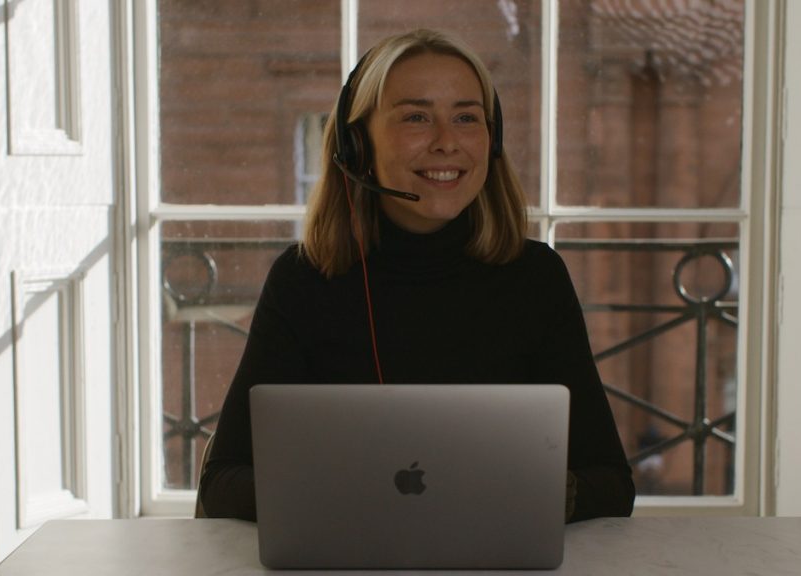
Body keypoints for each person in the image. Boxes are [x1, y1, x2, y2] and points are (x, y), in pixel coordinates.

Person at [199, 28, 635, 522]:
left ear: (492, 143)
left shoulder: (536, 277)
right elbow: (222, 485)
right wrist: (367, 497)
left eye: (467, 117)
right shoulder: (304, 279)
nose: (447, 143)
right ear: (356, 144)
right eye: (416, 117)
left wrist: (526, 493)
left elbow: (612, 484)